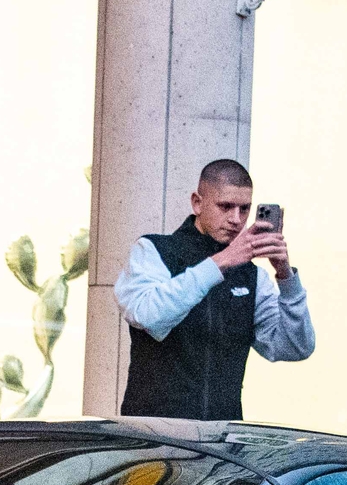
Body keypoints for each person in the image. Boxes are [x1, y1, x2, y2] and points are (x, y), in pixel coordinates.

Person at [112, 158, 314, 419]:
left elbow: (294, 347)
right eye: (225, 206)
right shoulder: (153, 250)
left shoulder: (252, 276)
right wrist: (221, 262)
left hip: (221, 436)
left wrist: (286, 276)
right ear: (197, 202)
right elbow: (149, 316)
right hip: (154, 433)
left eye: (245, 209)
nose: (236, 219)